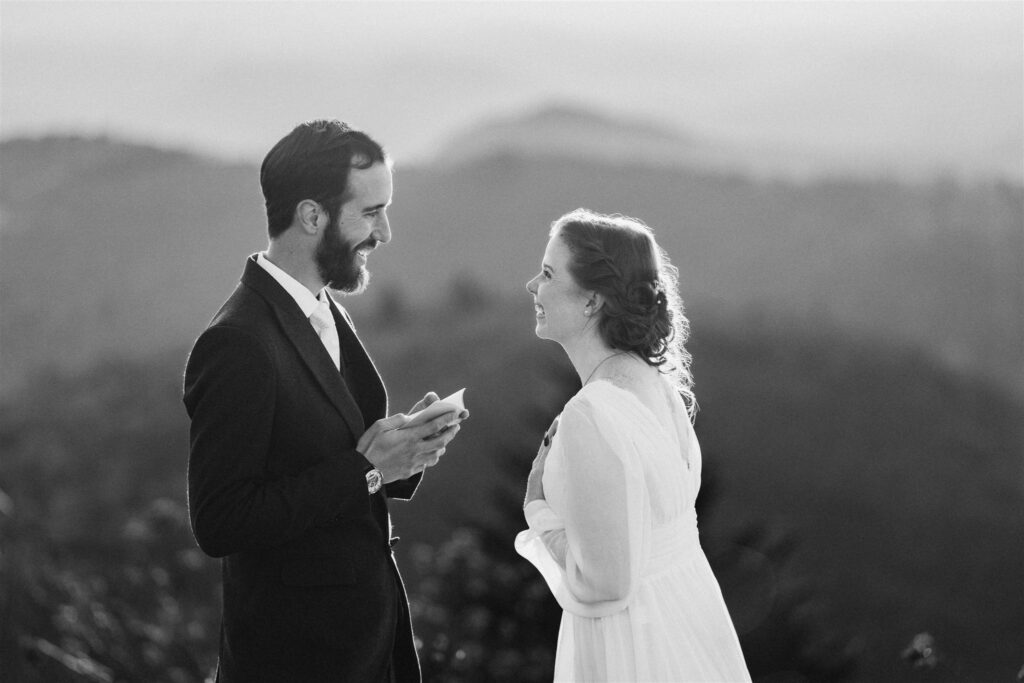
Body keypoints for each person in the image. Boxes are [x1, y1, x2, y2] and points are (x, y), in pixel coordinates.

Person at [183, 119, 467, 682]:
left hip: (368, 646)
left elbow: (331, 450)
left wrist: (404, 452)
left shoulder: (322, 307)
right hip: (296, 658)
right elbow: (220, 521)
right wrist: (367, 470)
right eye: (370, 212)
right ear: (311, 216)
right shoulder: (237, 343)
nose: (384, 233)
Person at [516, 208, 751, 682]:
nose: (531, 286)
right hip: (688, 623)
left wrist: (538, 511)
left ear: (592, 301)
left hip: (633, 647)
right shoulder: (659, 386)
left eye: (547, 272)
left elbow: (604, 582)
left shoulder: (591, 414)